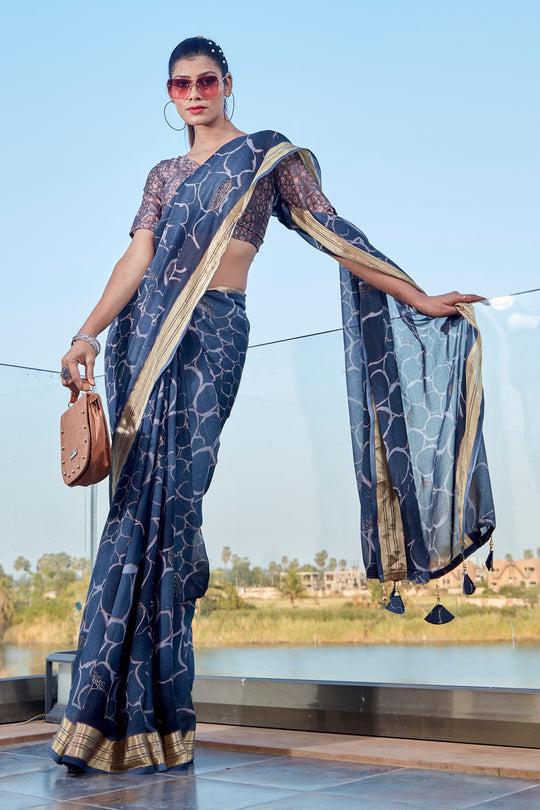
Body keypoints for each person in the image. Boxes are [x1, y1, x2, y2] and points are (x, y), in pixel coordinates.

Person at [50, 36, 494, 773]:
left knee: (179, 504)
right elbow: (138, 256)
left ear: (227, 84)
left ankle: (158, 715)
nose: (193, 94)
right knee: (137, 514)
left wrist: (416, 294)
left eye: (206, 81)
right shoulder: (163, 174)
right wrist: (87, 332)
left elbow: (335, 235)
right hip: (146, 342)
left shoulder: (267, 159)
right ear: (169, 95)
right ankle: (106, 719)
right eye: (179, 85)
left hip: (216, 333)